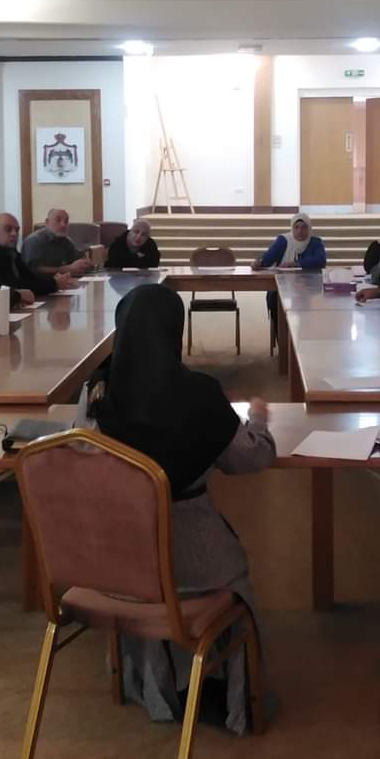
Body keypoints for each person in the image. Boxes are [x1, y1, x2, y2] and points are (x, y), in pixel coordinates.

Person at [78, 285, 275, 733]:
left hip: (121, 562)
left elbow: (85, 458)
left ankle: (151, 684)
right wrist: (258, 420)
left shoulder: (97, 397)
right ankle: (234, 692)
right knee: (235, 577)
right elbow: (248, 459)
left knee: (149, 584)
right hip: (198, 561)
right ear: (175, 332)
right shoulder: (200, 394)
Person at [0, 213, 71, 301]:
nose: (14, 234)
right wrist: (54, 284)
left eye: (17, 229)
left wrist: (54, 281)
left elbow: (30, 278)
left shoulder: (12, 252)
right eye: (8, 229)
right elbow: (15, 286)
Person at [22, 208, 95, 276]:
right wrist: (65, 269)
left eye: (66, 221)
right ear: (47, 222)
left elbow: (78, 258)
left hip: (64, 281)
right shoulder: (34, 241)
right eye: (58, 220)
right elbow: (34, 270)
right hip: (40, 284)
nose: (63, 225)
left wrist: (85, 263)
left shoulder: (66, 241)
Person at [254, 212, 327, 271]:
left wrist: (295, 264)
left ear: (309, 228)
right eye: (296, 227)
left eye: (303, 227)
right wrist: (258, 264)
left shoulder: (315, 242)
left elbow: (321, 261)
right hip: (283, 280)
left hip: (309, 281)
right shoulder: (283, 240)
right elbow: (267, 259)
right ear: (292, 228)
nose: (300, 231)